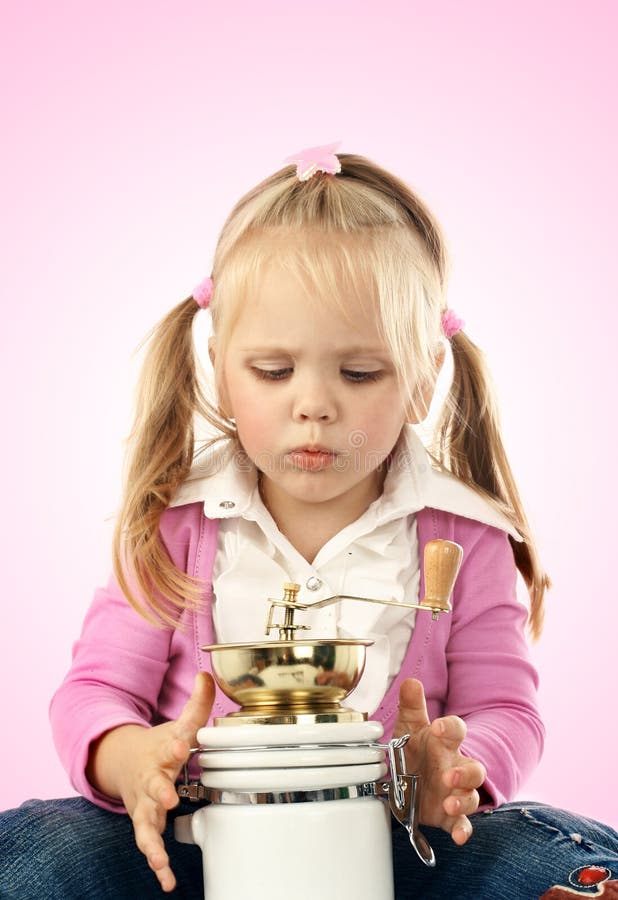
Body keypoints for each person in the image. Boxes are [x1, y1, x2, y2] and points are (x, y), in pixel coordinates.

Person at [2, 142, 617, 900]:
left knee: (558, 855)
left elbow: (503, 709)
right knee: (36, 848)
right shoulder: (175, 524)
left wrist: (454, 771)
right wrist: (133, 761)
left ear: (423, 380)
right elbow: (93, 693)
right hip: (192, 842)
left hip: (399, 846)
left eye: (359, 373)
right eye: (273, 371)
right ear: (221, 372)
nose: (315, 404)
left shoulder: (464, 536)